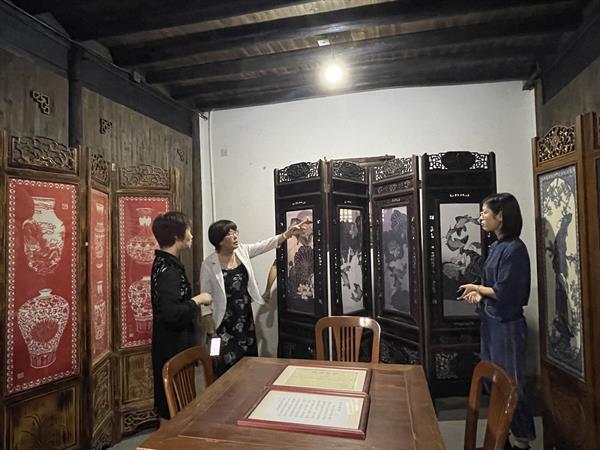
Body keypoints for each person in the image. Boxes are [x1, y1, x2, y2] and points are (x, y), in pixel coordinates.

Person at [459, 193, 536, 450]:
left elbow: (506, 291)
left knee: (511, 384)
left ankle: (523, 440)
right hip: (491, 323)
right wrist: (478, 294)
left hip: (507, 326)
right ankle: (503, 436)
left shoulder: (515, 249)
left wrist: (478, 289)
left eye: (485, 212)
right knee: (494, 382)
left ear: (500, 215)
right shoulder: (497, 247)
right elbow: (491, 287)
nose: (481, 217)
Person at [200, 219, 307, 376]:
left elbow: (264, 245)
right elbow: (204, 302)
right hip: (223, 324)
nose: (235, 236)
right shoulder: (209, 265)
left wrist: (287, 234)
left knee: (248, 365)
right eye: (230, 233)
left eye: (236, 232)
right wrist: (211, 332)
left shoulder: (242, 251)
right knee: (223, 367)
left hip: (245, 318)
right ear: (220, 240)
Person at [150, 212, 212, 424]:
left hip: (170, 342)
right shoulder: (169, 270)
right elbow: (172, 314)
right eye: (188, 230)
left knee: (176, 402)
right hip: (173, 345)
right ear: (177, 235)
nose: (192, 235)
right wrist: (198, 300)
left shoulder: (164, 262)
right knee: (176, 402)